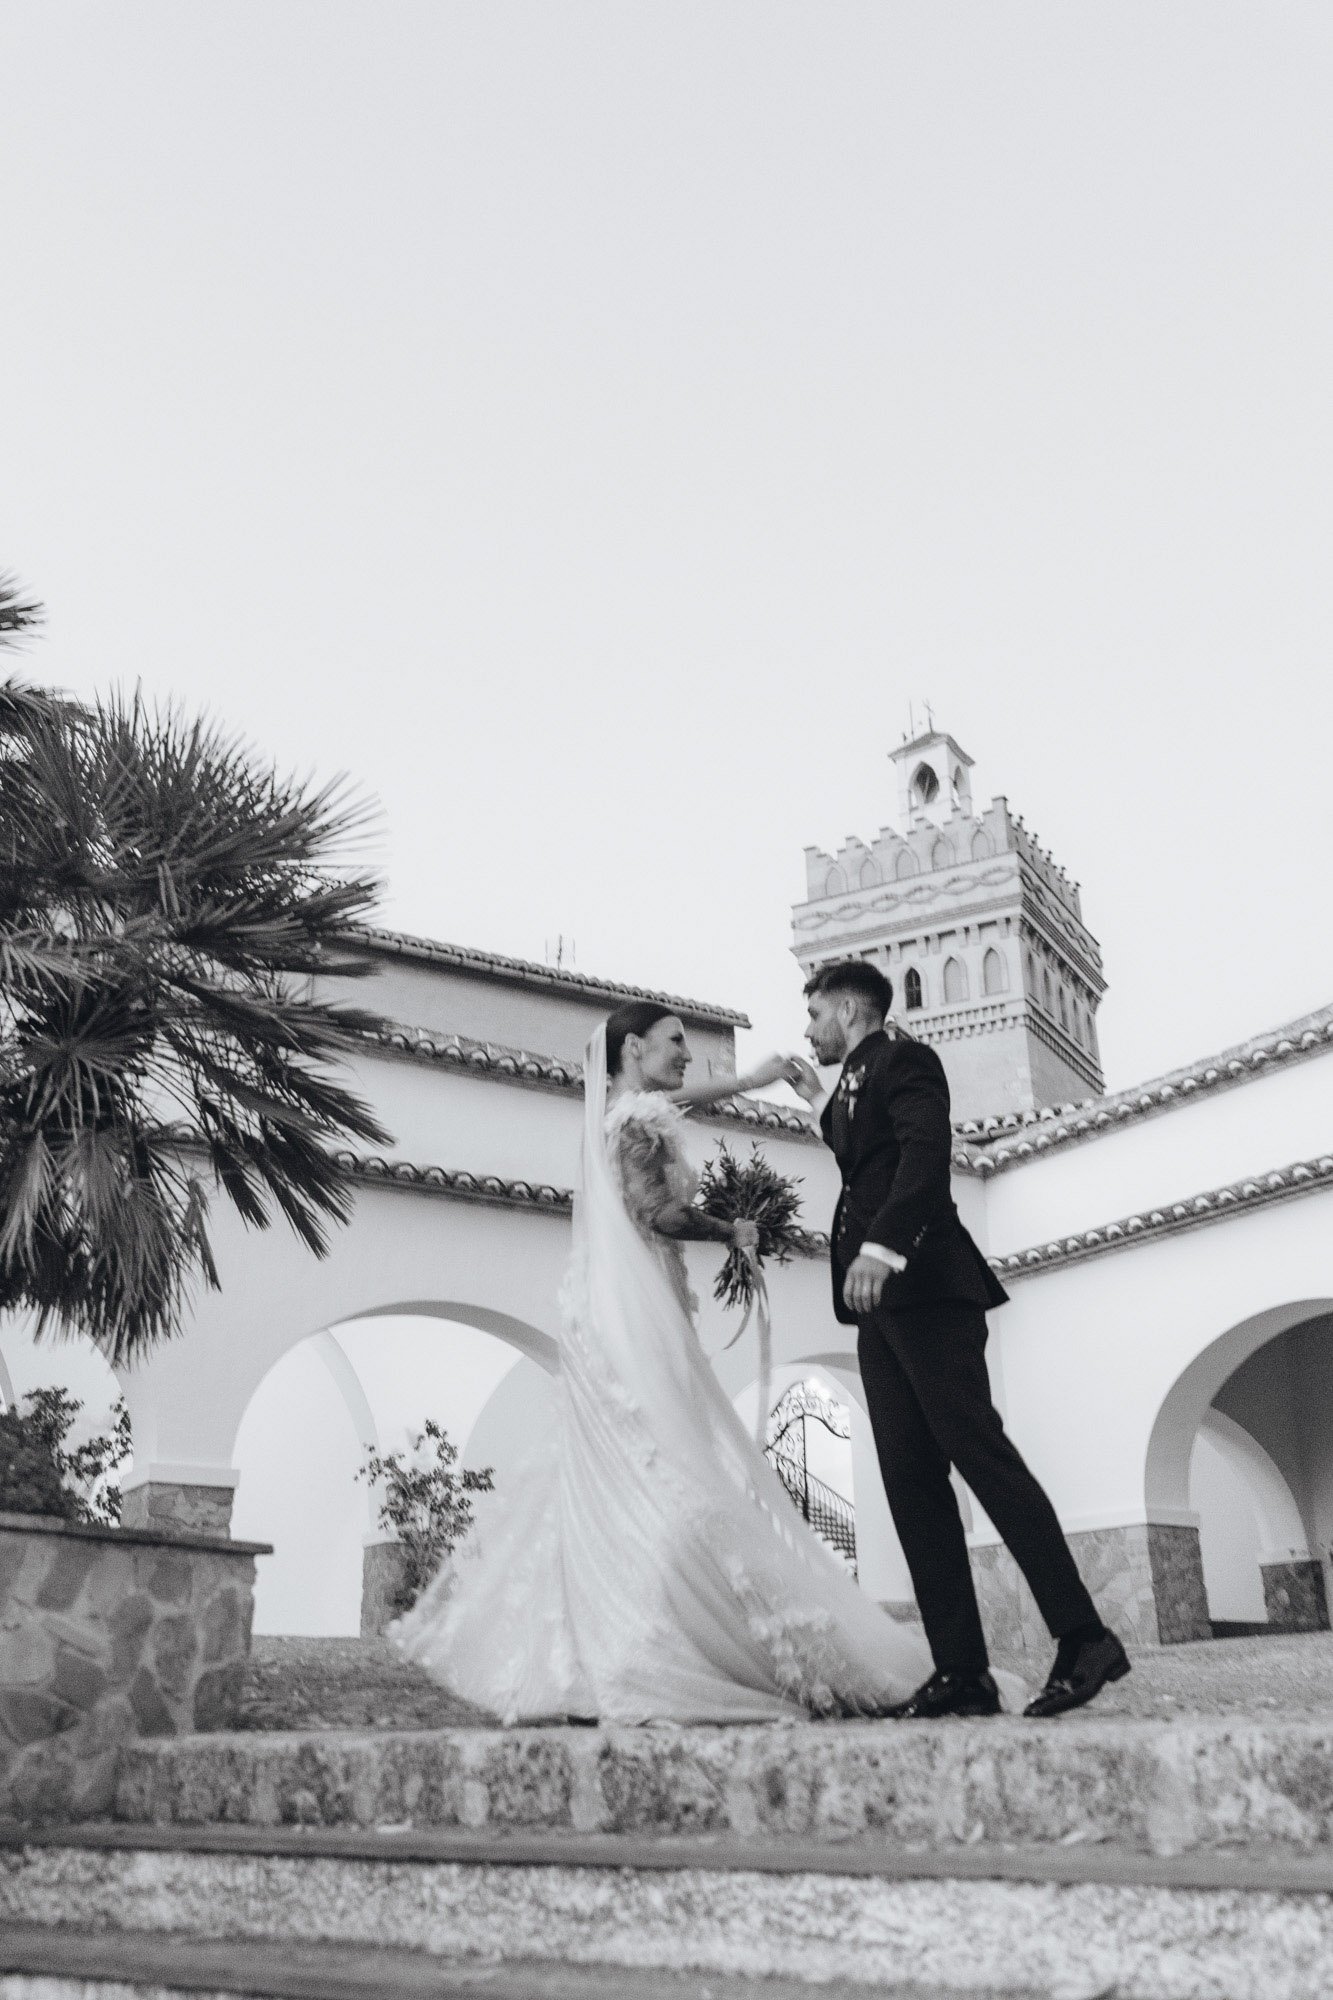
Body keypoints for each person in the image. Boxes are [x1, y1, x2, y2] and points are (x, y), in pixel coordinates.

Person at [391, 999, 932, 1723]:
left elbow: (678, 1100)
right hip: (632, 1320)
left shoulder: (620, 1112)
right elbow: (657, 1212)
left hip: (609, 1308)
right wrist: (728, 1227)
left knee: (625, 1469)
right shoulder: (638, 1124)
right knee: (670, 1463)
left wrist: (752, 1081)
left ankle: (614, 1639)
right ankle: (662, 1643)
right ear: (633, 1049)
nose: (686, 1055)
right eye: (675, 1042)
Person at [787, 959, 1130, 1720]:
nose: (807, 1029)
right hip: (879, 1308)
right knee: (910, 1479)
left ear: (847, 1010)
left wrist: (882, 1247)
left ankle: (1083, 1637)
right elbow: (864, 1157)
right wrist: (816, 1098)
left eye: (813, 1015)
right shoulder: (855, 1081)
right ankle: (960, 1670)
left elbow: (920, 1156)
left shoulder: (905, 1059)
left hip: (927, 1289)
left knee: (979, 1453)